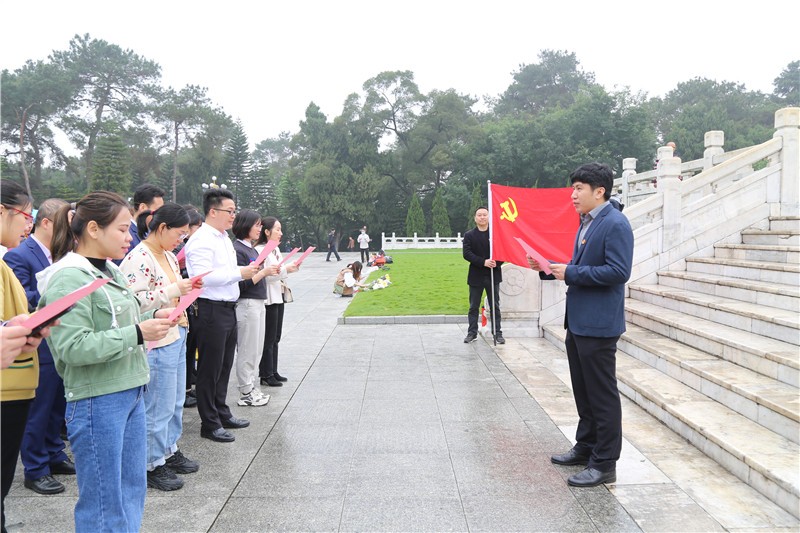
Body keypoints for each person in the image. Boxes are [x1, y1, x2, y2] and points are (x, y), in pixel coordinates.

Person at [38, 191, 175, 532]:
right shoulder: (69, 278)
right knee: (104, 499)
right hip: (97, 398)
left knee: (131, 489)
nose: (129, 238)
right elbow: (72, 347)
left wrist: (152, 317)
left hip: (130, 389)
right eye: (123, 229)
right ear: (93, 229)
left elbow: (118, 320)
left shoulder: (110, 270)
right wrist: (138, 333)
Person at [528, 162, 633, 488]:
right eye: (573, 188)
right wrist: (549, 268)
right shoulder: (588, 221)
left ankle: (604, 463)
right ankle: (586, 446)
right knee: (584, 392)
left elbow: (619, 271)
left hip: (599, 325)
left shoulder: (615, 223)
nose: (572, 195)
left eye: (578, 188)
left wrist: (570, 272)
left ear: (599, 191)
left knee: (602, 396)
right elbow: (581, 265)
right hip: (579, 322)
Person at [120, 202, 203, 492]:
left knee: (175, 399)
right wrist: (175, 290)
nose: (181, 240)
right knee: (157, 403)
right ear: (162, 227)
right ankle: (150, 462)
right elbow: (132, 301)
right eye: (179, 233)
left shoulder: (167, 254)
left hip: (176, 331)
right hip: (157, 338)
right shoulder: (139, 257)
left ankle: (168, 448)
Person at [4, 199, 76, 497]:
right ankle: (35, 468)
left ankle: (54, 452)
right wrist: (57, 294)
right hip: (35, 344)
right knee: (38, 408)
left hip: (56, 342)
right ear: (46, 223)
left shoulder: (59, 255)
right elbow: (23, 297)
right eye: (64, 223)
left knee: (57, 405)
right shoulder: (19, 254)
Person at [184, 188, 258, 443]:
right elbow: (202, 278)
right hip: (210, 309)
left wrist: (242, 271)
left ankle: (221, 412)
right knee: (210, 368)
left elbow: (225, 270)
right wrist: (240, 273)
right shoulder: (201, 239)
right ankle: (209, 422)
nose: (233, 216)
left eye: (234, 211)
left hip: (227, 307)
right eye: (230, 211)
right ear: (213, 212)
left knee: (224, 366)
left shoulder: (224, 238)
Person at [0, 180, 54, 532]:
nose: (28, 224)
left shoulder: (4, 264)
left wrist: (23, 329)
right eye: (24, 215)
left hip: (15, 386)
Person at [232, 210, 276, 404]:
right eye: (256, 225)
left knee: (256, 348)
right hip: (247, 302)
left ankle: (251, 385)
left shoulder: (250, 249)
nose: (260, 229)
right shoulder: (238, 250)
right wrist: (263, 272)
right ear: (245, 226)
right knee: (247, 349)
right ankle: (245, 391)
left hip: (258, 302)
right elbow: (241, 284)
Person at [257, 217, 300, 387]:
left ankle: (273, 370)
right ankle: (265, 374)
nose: (280, 233)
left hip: (277, 295)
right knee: (268, 338)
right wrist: (285, 269)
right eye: (277, 229)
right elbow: (263, 276)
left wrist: (289, 268)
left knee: (276, 336)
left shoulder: (275, 249)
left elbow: (278, 271)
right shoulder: (260, 250)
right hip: (268, 298)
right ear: (267, 232)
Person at [174, 206, 204, 408]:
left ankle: (187, 385)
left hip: (190, 303)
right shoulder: (177, 249)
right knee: (185, 349)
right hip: (182, 302)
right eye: (196, 227)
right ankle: (184, 390)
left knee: (191, 347)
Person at [462, 207, 504, 344]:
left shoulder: (496, 235)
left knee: (495, 306)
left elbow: (502, 251)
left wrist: (495, 263)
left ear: (489, 217)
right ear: (475, 218)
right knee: (473, 306)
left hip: (493, 274)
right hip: (476, 275)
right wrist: (483, 262)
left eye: (484, 215)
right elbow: (467, 254)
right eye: (479, 215)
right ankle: (472, 333)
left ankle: (497, 333)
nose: (482, 217)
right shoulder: (469, 235)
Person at [127, 184, 165, 252]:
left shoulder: (150, 233)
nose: (160, 215)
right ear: (142, 207)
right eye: (158, 210)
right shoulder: (128, 234)